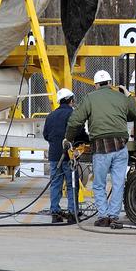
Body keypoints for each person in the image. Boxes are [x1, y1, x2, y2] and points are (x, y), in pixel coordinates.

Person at [65, 69, 136, 229]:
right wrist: (127, 94)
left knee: (99, 184)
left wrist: (68, 139)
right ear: (111, 83)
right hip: (120, 146)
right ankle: (114, 217)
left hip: (101, 147)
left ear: (96, 84)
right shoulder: (120, 97)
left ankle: (103, 216)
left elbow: (75, 121)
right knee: (118, 183)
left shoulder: (90, 98)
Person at [43, 88, 79, 223]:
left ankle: (55, 212)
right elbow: (78, 132)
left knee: (55, 184)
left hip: (54, 155)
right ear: (70, 100)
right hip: (68, 155)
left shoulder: (50, 115)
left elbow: (46, 135)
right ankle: (72, 212)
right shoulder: (73, 114)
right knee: (71, 184)